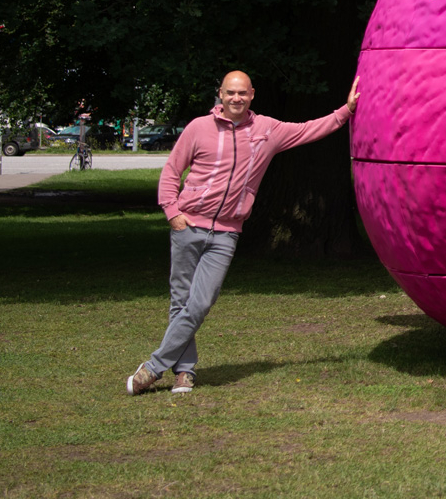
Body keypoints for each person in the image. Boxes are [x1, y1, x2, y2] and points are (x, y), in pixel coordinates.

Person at [126, 70, 358, 396]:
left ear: (252, 95)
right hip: (188, 226)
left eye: (242, 93)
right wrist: (173, 212)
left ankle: (153, 367)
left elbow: (308, 130)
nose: (236, 98)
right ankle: (185, 372)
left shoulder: (267, 130)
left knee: (201, 302)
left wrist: (345, 112)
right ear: (220, 94)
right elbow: (171, 170)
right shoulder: (198, 128)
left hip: (225, 234)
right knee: (181, 303)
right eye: (230, 93)